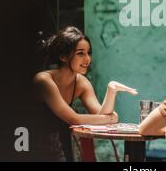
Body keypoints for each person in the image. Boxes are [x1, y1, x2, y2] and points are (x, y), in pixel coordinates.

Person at [33, 26, 137, 161]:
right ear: (63, 56)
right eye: (80, 53)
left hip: (61, 147)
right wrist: (111, 118)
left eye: (89, 53)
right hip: (31, 145)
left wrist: (111, 91)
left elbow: (101, 115)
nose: (87, 59)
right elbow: (74, 119)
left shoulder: (81, 82)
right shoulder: (43, 80)